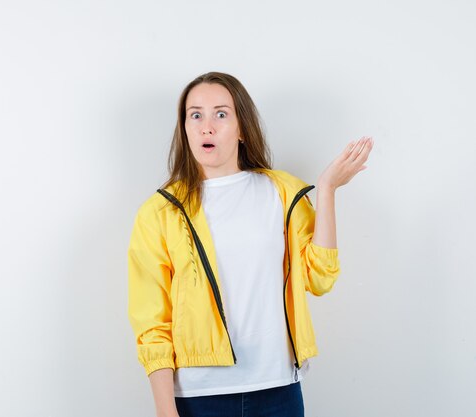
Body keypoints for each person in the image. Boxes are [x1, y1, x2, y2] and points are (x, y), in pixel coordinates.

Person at [127, 72, 373, 417]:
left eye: (221, 114)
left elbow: (320, 278)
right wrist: (165, 410)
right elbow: (152, 322)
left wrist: (327, 190)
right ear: (184, 127)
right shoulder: (161, 212)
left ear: (242, 128)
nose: (206, 126)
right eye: (195, 114)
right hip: (199, 396)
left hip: (278, 391)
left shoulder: (283, 193)